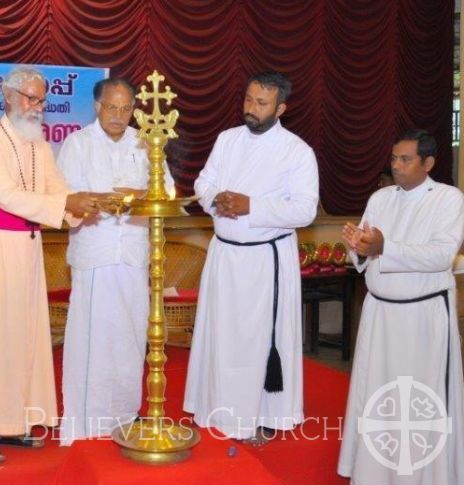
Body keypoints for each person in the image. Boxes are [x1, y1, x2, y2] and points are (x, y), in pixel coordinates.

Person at [0, 66, 111, 463]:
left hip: (26, 252)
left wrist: (85, 202)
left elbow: (57, 190)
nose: (38, 107)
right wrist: (67, 205)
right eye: (31, 98)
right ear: (9, 97)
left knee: (18, 339)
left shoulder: (39, 145)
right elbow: (7, 196)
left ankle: (11, 423)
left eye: (42, 100)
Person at [183, 70, 319, 446]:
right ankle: (215, 407)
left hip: (265, 262)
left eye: (261, 103)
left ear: (281, 108)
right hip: (224, 256)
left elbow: (305, 210)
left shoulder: (297, 151)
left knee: (256, 341)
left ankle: (261, 416)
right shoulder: (226, 140)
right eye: (248, 99)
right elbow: (202, 181)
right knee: (220, 335)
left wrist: (250, 206)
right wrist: (217, 199)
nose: (251, 108)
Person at [338, 130, 464, 484]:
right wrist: (359, 248)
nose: (396, 165)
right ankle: (373, 472)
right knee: (377, 395)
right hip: (379, 313)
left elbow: (441, 255)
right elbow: (364, 248)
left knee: (419, 401)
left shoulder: (449, 199)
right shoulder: (380, 198)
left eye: (405, 159)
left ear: (428, 163)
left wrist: (383, 247)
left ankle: (425, 475)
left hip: (422, 317)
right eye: (393, 158)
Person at [56, 78, 175, 445]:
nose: (119, 116)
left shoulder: (146, 143)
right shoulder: (77, 144)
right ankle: (88, 420)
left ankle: (125, 414)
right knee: (92, 338)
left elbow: (167, 191)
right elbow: (64, 195)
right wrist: (98, 200)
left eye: (126, 109)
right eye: (112, 108)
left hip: (134, 255)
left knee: (130, 338)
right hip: (95, 254)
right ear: (97, 107)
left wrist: (140, 196)